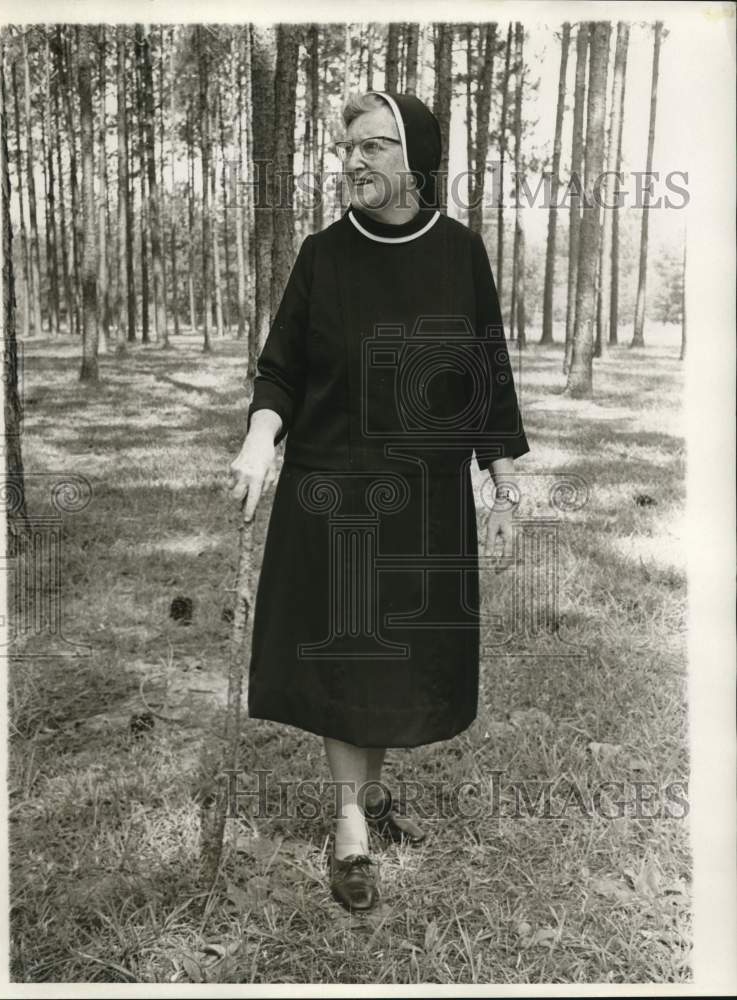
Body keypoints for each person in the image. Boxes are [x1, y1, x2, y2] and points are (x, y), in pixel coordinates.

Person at [229, 90, 529, 912]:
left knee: (391, 665)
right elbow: (281, 368)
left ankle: (368, 794)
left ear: (414, 158)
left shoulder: (459, 253)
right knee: (346, 659)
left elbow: (485, 377)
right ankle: (350, 822)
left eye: (370, 145)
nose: (352, 161)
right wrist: (261, 439)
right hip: (335, 494)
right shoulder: (323, 255)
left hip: (425, 502)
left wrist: (504, 487)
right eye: (345, 147)